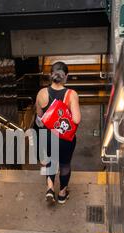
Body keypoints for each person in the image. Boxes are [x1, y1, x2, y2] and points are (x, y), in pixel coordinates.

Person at [34, 62, 81, 204]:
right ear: (66, 76)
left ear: (50, 76)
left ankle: (50, 189)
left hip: (48, 136)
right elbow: (76, 119)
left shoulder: (42, 93)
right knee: (65, 164)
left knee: (50, 162)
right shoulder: (71, 94)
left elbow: (39, 119)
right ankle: (62, 194)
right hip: (65, 139)